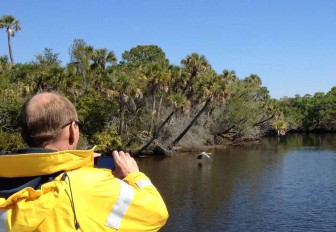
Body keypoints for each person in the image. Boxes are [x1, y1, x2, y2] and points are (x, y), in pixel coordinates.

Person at [0, 91, 168, 232]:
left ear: (23, 135)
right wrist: (134, 176)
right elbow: (156, 213)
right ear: (73, 130)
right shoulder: (93, 185)